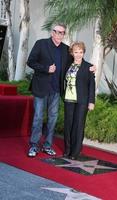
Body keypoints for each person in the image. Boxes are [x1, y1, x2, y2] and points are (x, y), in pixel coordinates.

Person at [27, 23, 95, 157]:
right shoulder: (40, 44)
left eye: (62, 32)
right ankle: (34, 145)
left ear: (64, 34)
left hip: (57, 90)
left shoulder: (65, 49)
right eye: (57, 32)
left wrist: (90, 67)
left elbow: (77, 59)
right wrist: (46, 68)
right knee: (38, 117)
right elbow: (30, 62)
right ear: (52, 32)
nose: (59, 34)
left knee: (53, 118)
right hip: (41, 88)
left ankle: (47, 145)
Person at [63, 42, 95, 160]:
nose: (78, 54)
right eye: (76, 52)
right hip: (68, 99)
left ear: (83, 53)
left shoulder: (88, 66)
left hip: (82, 101)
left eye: (81, 52)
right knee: (68, 125)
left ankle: (75, 152)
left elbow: (92, 85)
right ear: (72, 53)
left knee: (78, 125)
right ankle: (67, 149)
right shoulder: (67, 65)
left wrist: (91, 101)